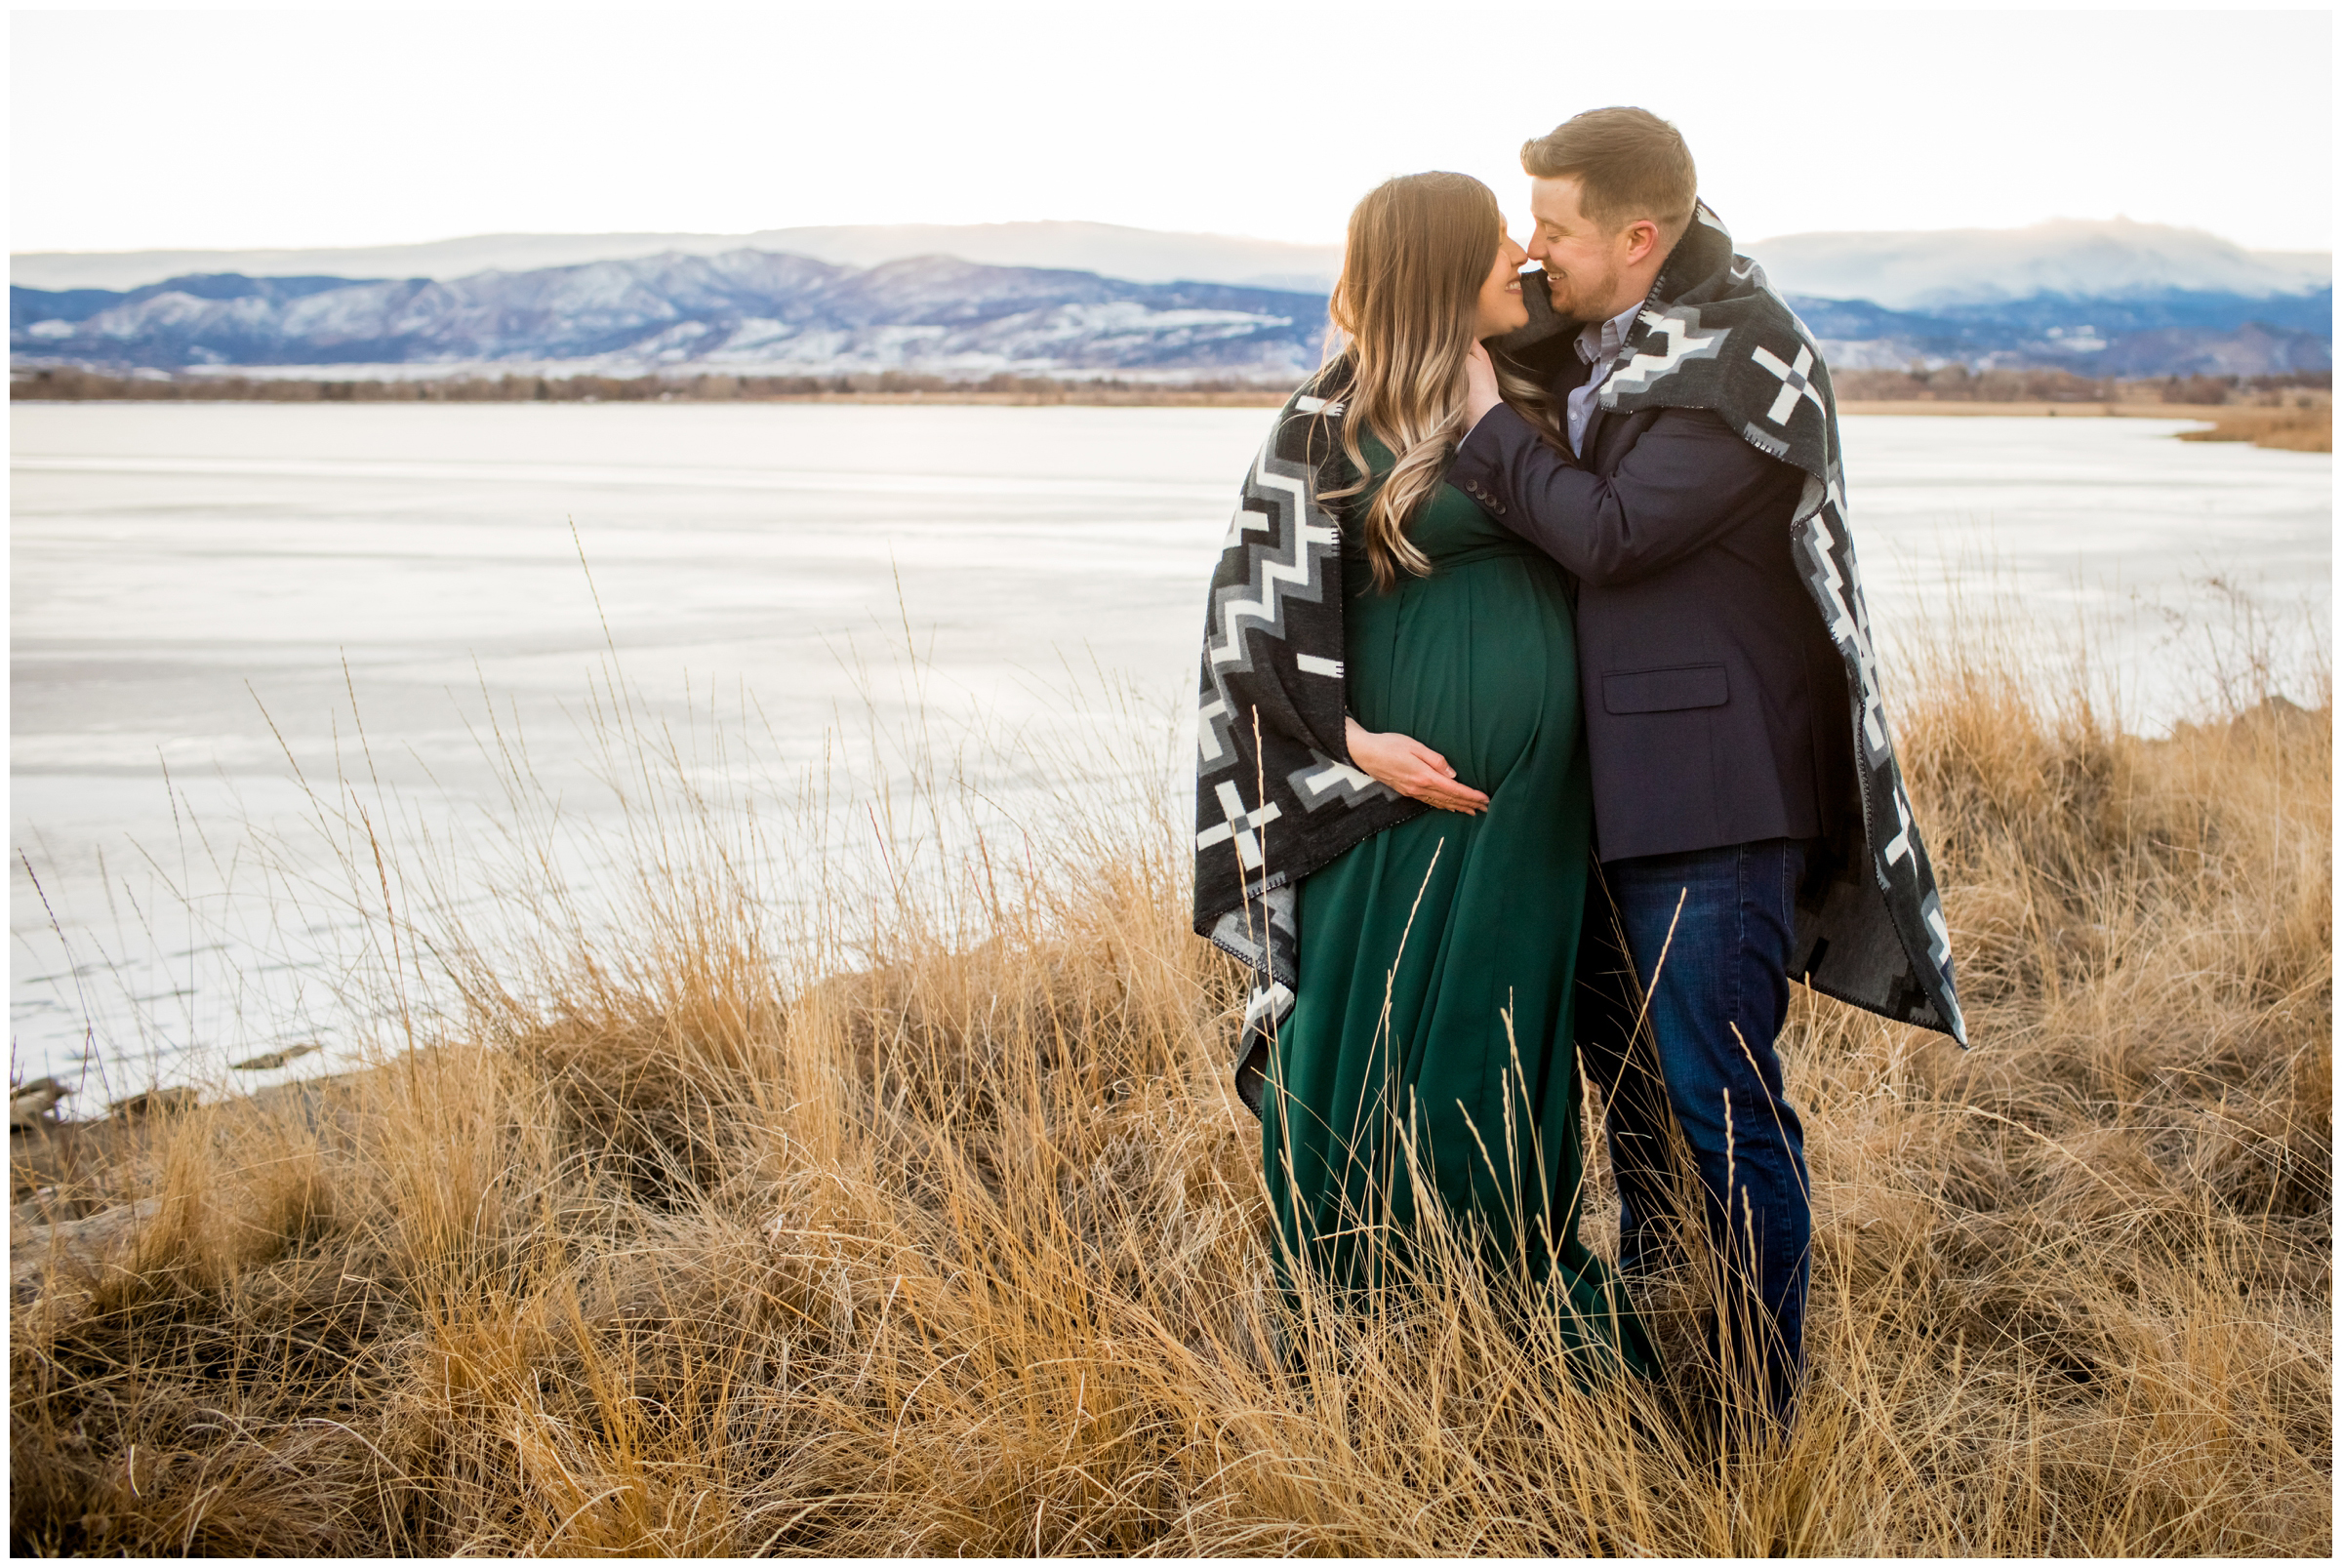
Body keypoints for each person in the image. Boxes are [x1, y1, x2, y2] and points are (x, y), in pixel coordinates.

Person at [1421, 106, 1966, 1436]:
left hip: (1715, 802)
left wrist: (1485, 418)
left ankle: (1752, 1416)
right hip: (1613, 794)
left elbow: (1608, 535)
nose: (1533, 250)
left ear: (1639, 236)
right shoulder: (1616, 329)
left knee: (1721, 1101)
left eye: (1552, 226)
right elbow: (1438, 323)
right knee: (1635, 1099)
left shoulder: (1743, 359)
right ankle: (1675, 1344)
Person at [1191, 172, 1653, 1379]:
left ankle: (1502, 1303)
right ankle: (1349, 1308)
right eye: (1499, 237)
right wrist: (1349, 741)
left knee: (1504, 1039)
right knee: (1366, 1022)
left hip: (1536, 814)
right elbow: (1244, 623)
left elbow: (1664, 256)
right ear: (1440, 267)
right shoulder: (1325, 421)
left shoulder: (1539, 382)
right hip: (1389, 794)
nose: (1525, 254)